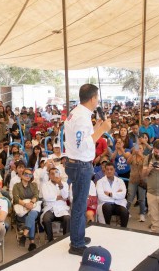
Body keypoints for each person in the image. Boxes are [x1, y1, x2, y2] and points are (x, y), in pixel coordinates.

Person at [64, 84, 111, 256]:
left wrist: (98, 126)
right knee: (79, 204)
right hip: (80, 164)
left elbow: (81, 137)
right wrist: (103, 130)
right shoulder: (82, 118)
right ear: (92, 98)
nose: (97, 101)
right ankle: (76, 243)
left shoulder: (76, 113)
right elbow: (83, 144)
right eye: (97, 98)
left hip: (74, 162)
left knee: (79, 202)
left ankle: (79, 236)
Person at [12, 168, 40, 251]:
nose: (28, 176)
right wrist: (25, 204)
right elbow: (16, 199)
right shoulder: (16, 186)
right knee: (30, 218)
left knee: (32, 214)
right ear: (22, 175)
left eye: (30, 175)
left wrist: (31, 203)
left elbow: (36, 196)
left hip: (32, 207)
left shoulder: (34, 185)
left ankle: (24, 236)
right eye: (26, 174)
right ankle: (31, 242)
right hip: (22, 210)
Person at [41, 167, 71, 242]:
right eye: (52, 174)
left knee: (67, 218)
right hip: (49, 208)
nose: (54, 175)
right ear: (49, 176)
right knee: (46, 219)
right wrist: (57, 197)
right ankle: (50, 240)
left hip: (61, 208)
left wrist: (60, 184)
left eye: (56, 173)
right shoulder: (45, 185)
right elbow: (46, 197)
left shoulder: (64, 184)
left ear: (59, 174)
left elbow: (65, 196)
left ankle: (65, 240)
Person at [96, 163, 129, 227]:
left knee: (125, 212)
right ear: (104, 171)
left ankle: (124, 230)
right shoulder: (100, 182)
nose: (109, 171)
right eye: (107, 169)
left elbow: (123, 195)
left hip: (118, 204)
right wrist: (116, 194)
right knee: (107, 207)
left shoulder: (120, 181)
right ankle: (107, 228)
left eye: (111, 169)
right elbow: (101, 197)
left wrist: (110, 194)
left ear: (114, 170)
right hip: (106, 204)